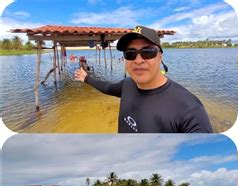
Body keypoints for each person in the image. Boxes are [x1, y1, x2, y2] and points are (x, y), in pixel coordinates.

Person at [74, 25, 212, 133]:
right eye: (130, 54)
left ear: (160, 56)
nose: (138, 60)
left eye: (148, 52)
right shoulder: (127, 84)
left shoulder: (190, 110)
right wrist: (86, 78)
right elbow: (108, 88)